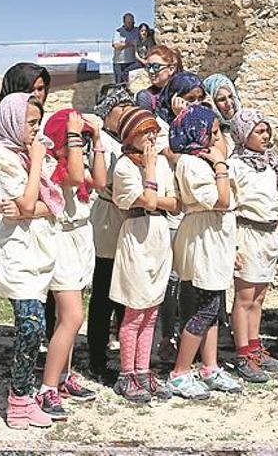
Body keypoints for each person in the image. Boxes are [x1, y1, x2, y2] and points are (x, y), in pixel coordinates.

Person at [0, 92, 56, 430]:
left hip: (34, 248)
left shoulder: (22, 155)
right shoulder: (1, 157)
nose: (35, 132)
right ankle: (17, 398)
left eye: (38, 124)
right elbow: (24, 205)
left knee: (36, 324)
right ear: (11, 121)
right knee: (30, 325)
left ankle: (24, 395)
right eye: (30, 123)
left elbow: (51, 204)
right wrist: (37, 163)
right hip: (14, 253)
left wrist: (35, 208)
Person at [168, 105, 242, 399]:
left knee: (213, 305)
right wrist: (222, 166)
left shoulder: (202, 160)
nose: (215, 139)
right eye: (211, 133)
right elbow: (221, 201)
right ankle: (180, 371)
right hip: (204, 236)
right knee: (204, 308)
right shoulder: (192, 164)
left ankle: (209, 366)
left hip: (215, 235)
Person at [37, 109, 105, 419]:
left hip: (80, 239)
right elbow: (76, 177)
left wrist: (99, 139)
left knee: (73, 317)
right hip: (62, 241)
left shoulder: (72, 159)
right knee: (72, 317)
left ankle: (63, 376)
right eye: (71, 140)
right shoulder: (52, 164)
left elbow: (99, 181)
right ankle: (47, 387)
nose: (77, 144)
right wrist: (75, 133)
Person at [109, 108, 177, 403]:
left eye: (154, 130)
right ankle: (127, 373)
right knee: (135, 310)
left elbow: (173, 202)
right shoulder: (125, 167)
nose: (152, 136)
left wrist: (153, 191)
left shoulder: (161, 163)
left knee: (151, 312)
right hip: (137, 238)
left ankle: (143, 367)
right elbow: (148, 200)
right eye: (145, 131)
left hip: (159, 236)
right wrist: (149, 171)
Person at [227, 108, 278, 383]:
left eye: (267, 131)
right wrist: (233, 246)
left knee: (260, 296)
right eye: (259, 131)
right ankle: (242, 353)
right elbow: (229, 206)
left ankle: (254, 345)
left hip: (269, 232)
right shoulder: (235, 166)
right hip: (247, 232)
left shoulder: (271, 162)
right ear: (244, 134)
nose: (265, 136)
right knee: (245, 297)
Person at [87, 84, 135, 384]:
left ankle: (124, 347)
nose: (127, 112)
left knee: (124, 286)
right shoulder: (100, 139)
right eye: (122, 107)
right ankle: (97, 353)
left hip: (125, 218)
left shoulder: (125, 138)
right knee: (104, 288)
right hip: (107, 215)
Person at [136, 45, 183, 113]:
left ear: (171, 69)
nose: (151, 71)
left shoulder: (185, 92)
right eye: (148, 67)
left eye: (156, 67)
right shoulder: (145, 97)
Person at [112, 12, 139, 83]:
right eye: (129, 22)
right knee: (119, 83)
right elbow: (116, 46)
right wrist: (130, 43)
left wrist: (123, 44)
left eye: (133, 22)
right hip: (119, 63)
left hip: (132, 62)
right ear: (124, 22)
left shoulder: (137, 31)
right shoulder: (118, 32)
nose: (131, 24)